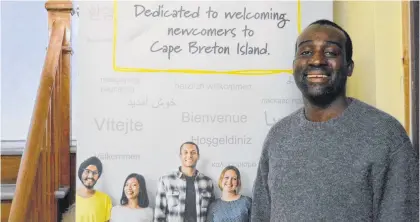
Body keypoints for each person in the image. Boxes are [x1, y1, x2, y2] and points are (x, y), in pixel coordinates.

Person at [251, 19, 419, 222]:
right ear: (294, 66)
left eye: (330, 52)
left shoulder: (386, 135)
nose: (316, 60)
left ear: (349, 67)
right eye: (306, 52)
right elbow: (260, 215)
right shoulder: (278, 136)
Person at [154, 141, 215, 222]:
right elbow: (159, 215)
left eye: (193, 152)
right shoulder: (166, 180)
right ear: (180, 156)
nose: (189, 155)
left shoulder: (208, 182)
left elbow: (211, 214)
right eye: (185, 152)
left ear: (198, 156)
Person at [76, 156, 113, 222]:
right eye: (87, 171)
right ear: (81, 172)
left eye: (95, 173)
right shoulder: (71, 199)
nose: (90, 176)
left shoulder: (105, 199)